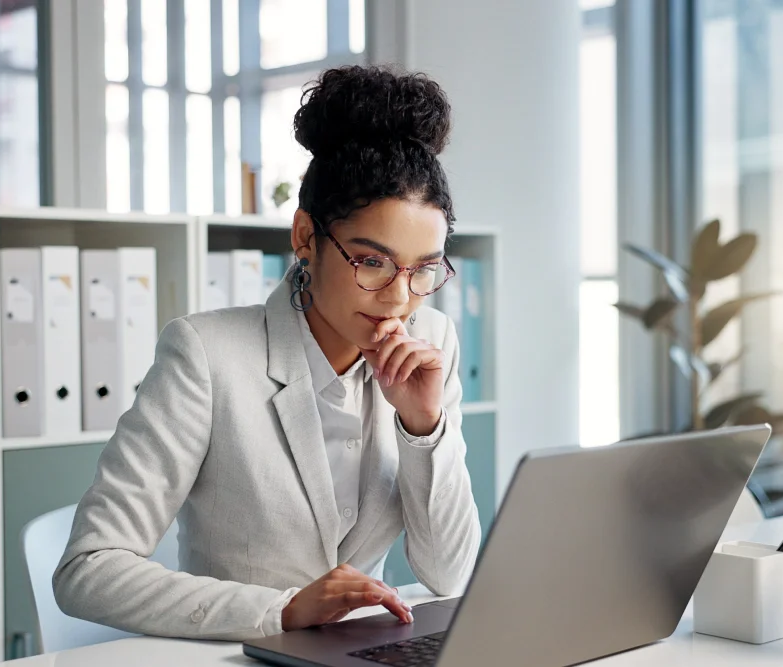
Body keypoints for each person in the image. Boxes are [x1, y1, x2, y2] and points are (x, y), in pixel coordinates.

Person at [53, 65, 481, 642]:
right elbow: (88, 568)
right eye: (372, 261)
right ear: (305, 236)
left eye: (424, 269)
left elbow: (449, 572)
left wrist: (423, 425)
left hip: (363, 654)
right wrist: (280, 609)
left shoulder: (432, 341)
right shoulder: (206, 356)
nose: (400, 298)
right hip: (242, 654)